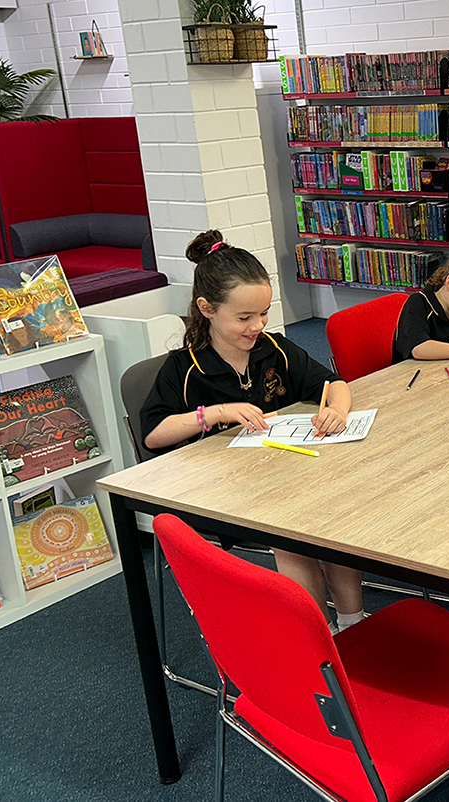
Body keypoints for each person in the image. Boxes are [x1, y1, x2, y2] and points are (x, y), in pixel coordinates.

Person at [140, 230, 365, 633]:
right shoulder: (185, 368)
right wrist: (215, 413)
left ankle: (351, 623)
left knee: (332, 509)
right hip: (221, 492)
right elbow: (154, 435)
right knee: (292, 526)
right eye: (244, 317)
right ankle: (319, 639)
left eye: (263, 314)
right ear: (206, 309)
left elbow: (334, 384)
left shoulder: (274, 350)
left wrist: (338, 410)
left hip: (282, 472)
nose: (257, 325)